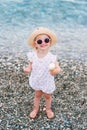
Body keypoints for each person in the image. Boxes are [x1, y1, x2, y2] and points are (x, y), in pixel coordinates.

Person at [23, 27, 61, 119]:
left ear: (50, 42)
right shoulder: (33, 55)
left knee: (47, 96)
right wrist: (27, 69)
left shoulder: (51, 57)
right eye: (40, 41)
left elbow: (58, 68)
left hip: (47, 80)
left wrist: (54, 71)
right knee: (37, 95)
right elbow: (30, 65)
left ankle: (48, 109)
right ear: (35, 44)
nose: (43, 43)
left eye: (46, 40)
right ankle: (35, 109)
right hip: (37, 79)